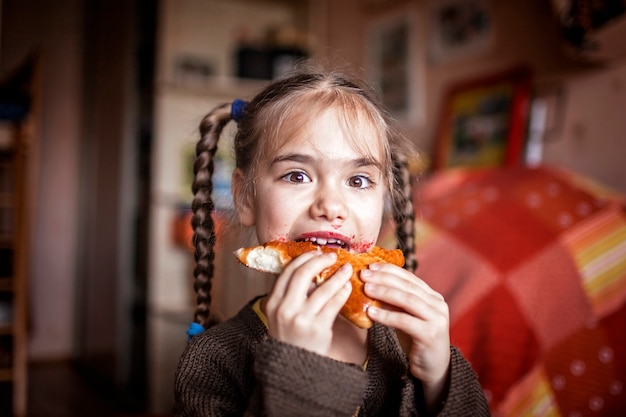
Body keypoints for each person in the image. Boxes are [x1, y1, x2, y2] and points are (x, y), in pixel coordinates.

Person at [174, 67, 490, 417]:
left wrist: (439, 380)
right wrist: (297, 376)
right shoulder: (213, 359)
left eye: (358, 180)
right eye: (297, 175)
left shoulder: (405, 345)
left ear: (384, 197)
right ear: (245, 198)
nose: (331, 207)